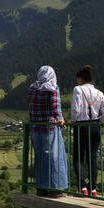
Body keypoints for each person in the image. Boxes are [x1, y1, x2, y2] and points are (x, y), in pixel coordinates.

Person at [28, 66, 68, 198]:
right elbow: (55, 107)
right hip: (49, 127)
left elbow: (30, 104)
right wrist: (60, 119)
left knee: (40, 157)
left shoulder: (33, 87)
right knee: (53, 157)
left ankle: (41, 188)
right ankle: (54, 189)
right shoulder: (52, 88)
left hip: (35, 127)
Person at [70, 65, 104, 197]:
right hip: (95, 126)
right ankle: (93, 188)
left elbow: (75, 110)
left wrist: (73, 120)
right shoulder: (99, 93)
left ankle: (82, 187)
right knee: (93, 157)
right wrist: (101, 122)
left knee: (78, 157)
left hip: (81, 126)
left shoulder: (78, 89)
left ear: (80, 78)